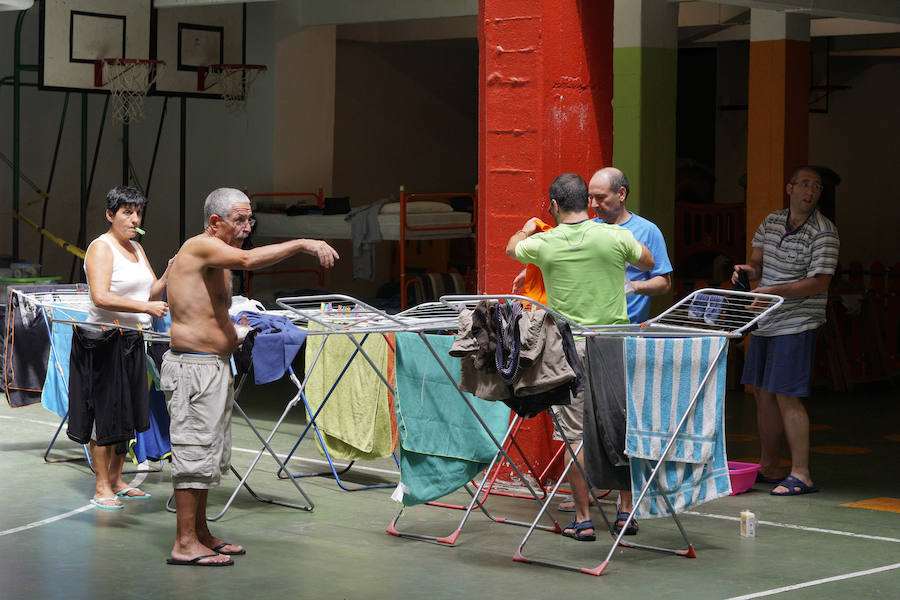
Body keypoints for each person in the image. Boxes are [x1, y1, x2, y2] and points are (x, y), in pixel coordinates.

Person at [160, 188, 339, 567]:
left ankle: (201, 533)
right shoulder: (200, 247)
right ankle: (184, 543)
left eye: (249, 219)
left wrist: (235, 328)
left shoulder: (214, 257)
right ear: (215, 222)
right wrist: (304, 242)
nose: (246, 227)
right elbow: (248, 259)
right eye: (240, 220)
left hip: (212, 366)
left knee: (210, 454)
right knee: (194, 454)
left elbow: (205, 305)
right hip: (193, 368)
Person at [506, 173, 653, 542]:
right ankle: (625, 513)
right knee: (620, 426)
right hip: (612, 343)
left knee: (575, 435)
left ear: (554, 206)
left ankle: (584, 519)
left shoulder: (544, 243)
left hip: (567, 348)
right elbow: (648, 263)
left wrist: (527, 229)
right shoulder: (616, 236)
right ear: (588, 204)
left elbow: (511, 249)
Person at [732, 166, 839, 496]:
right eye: (804, 185)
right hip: (766, 321)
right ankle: (769, 466)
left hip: (798, 322)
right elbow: (757, 263)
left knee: (786, 396)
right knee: (763, 394)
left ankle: (801, 473)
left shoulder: (825, 231)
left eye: (816, 187)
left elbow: (820, 282)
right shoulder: (772, 221)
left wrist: (774, 292)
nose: (810, 191)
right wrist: (746, 270)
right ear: (789, 188)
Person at [82, 185, 171, 509]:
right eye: (127, 212)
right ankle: (101, 484)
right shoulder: (101, 248)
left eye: (138, 213)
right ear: (110, 215)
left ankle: (118, 479)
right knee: (104, 413)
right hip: (105, 341)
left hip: (134, 341)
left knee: (129, 412)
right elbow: (101, 296)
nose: (134, 219)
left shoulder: (136, 248)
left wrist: (170, 272)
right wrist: (146, 309)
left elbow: (151, 292)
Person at [588, 167, 673, 323]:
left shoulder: (648, 231)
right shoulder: (586, 229)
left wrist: (633, 286)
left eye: (600, 197)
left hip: (630, 329)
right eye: (590, 197)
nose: (593, 204)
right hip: (590, 328)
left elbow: (664, 282)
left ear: (621, 194)